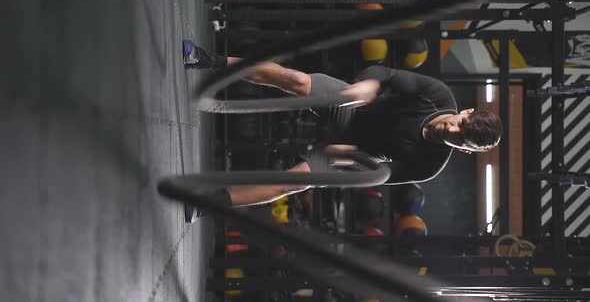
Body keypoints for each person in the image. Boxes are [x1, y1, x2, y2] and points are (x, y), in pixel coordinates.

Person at [165, 40, 502, 222]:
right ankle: (208, 59)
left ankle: (209, 204)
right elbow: (384, 72)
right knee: (294, 79)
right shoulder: (438, 95)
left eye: (460, 137)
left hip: (352, 153)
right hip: (353, 105)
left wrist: (348, 159)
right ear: (466, 111)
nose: (452, 129)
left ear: (464, 149)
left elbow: (379, 175)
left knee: (290, 183)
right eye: (460, 123)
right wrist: (366, 86)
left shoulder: (428, 166)